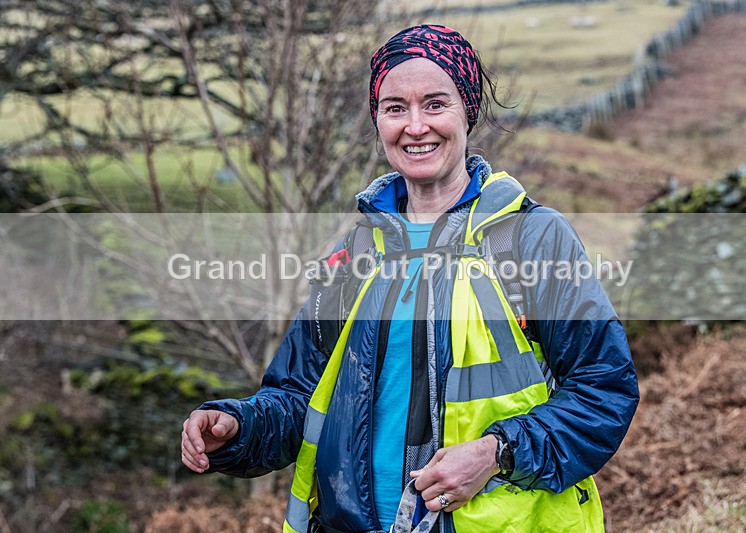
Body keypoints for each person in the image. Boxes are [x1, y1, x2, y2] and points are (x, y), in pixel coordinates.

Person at [181, 24, 639, 533]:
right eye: (395, 108)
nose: (414, 126)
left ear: (469, 110)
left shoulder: (532, 239)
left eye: (435, 104)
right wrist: (239, 427)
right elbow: (299, 396)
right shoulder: (354, 252)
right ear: (377, 120)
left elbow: (604, 391)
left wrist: (498, 452)